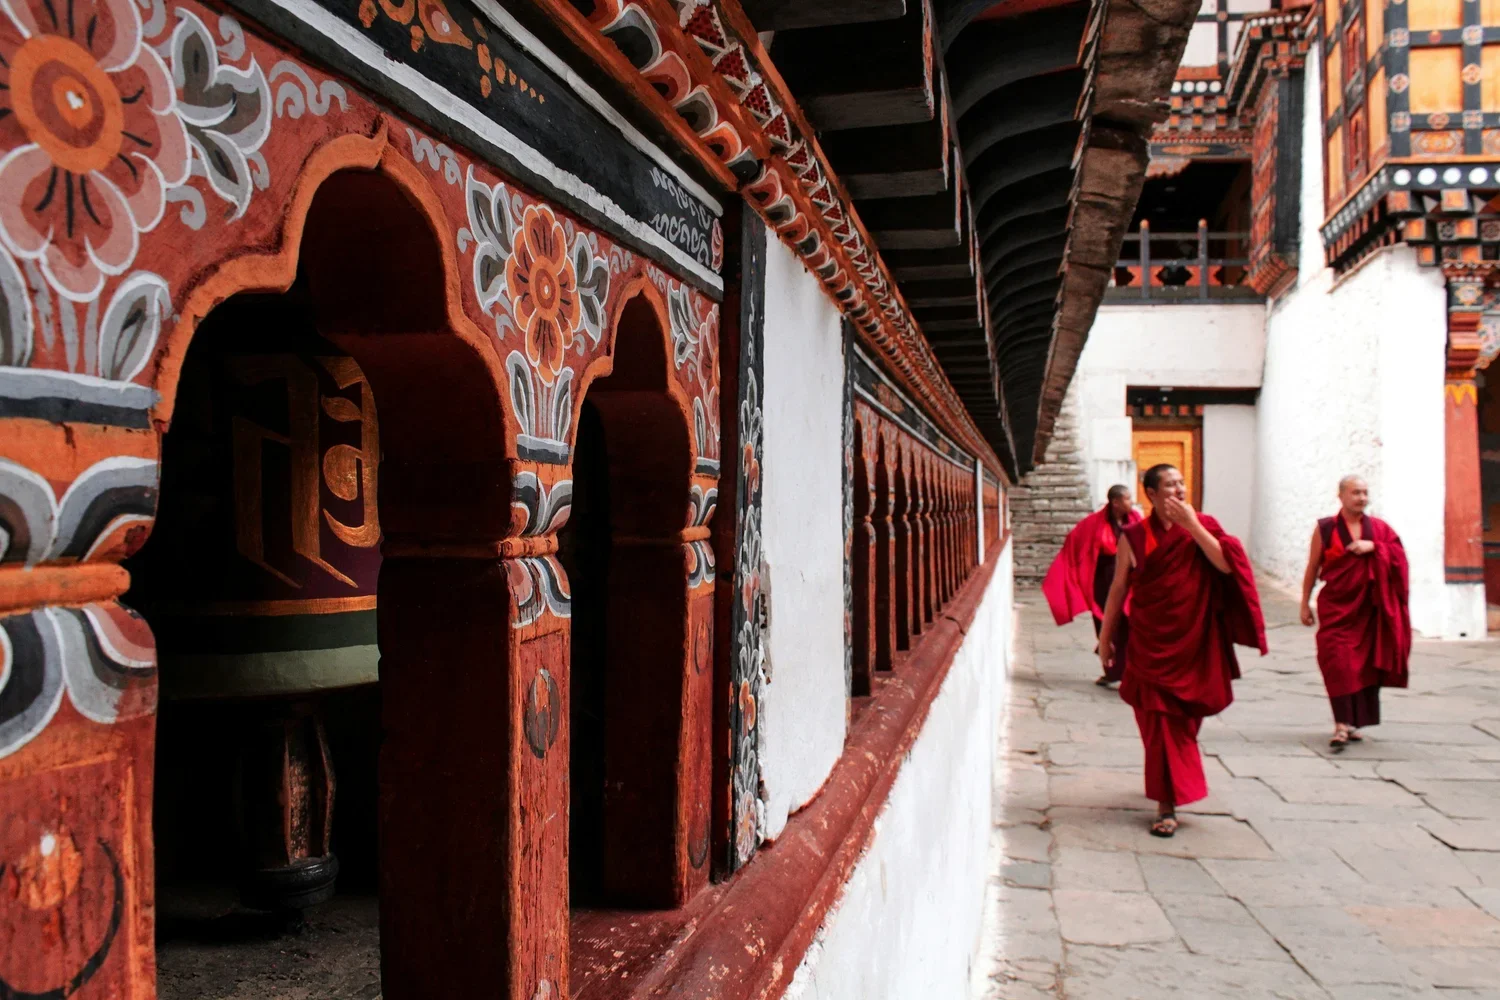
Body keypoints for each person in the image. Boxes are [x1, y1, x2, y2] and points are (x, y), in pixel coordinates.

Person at [1098, 464, 1266, 837]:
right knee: (1157, 722)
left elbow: (1226, 565)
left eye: (1182, 483)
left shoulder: (1203, 525)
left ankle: (1165, 783)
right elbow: (1118, 588)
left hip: (1193, 641)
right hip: (1149, 641)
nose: (1179, 490)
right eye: (1170, 485)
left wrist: (1194, 528)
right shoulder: (1134, 536)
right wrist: (1105, 636)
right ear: (1152, 496)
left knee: (1182, 723)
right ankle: (1166, 804)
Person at [1299, 475, 1411, 751]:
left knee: (1362, 665)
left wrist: (1374, 547)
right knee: (1336, 662)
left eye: (1365, 492)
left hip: (1369, 611)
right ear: (1341, 496)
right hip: (1337, 608)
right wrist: (1304, 602)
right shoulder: (1326, 529)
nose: (1361, 497)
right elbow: (1313, 566)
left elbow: (1399, 556)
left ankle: (1351, 723)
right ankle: (1340, 722)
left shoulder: (1380, 529)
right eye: (1355, 492)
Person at [1041, 485, 1142, 686]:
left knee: (1129, 625)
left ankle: (1131, 671)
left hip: (1129, 579)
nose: (1131, 502)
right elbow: (1074, 541)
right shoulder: (1095, 523)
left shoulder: (1136, 519)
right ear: (1115, 502)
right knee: (1106, 623)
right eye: (1128, 499)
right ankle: (1112, 671)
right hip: (1104, 581)